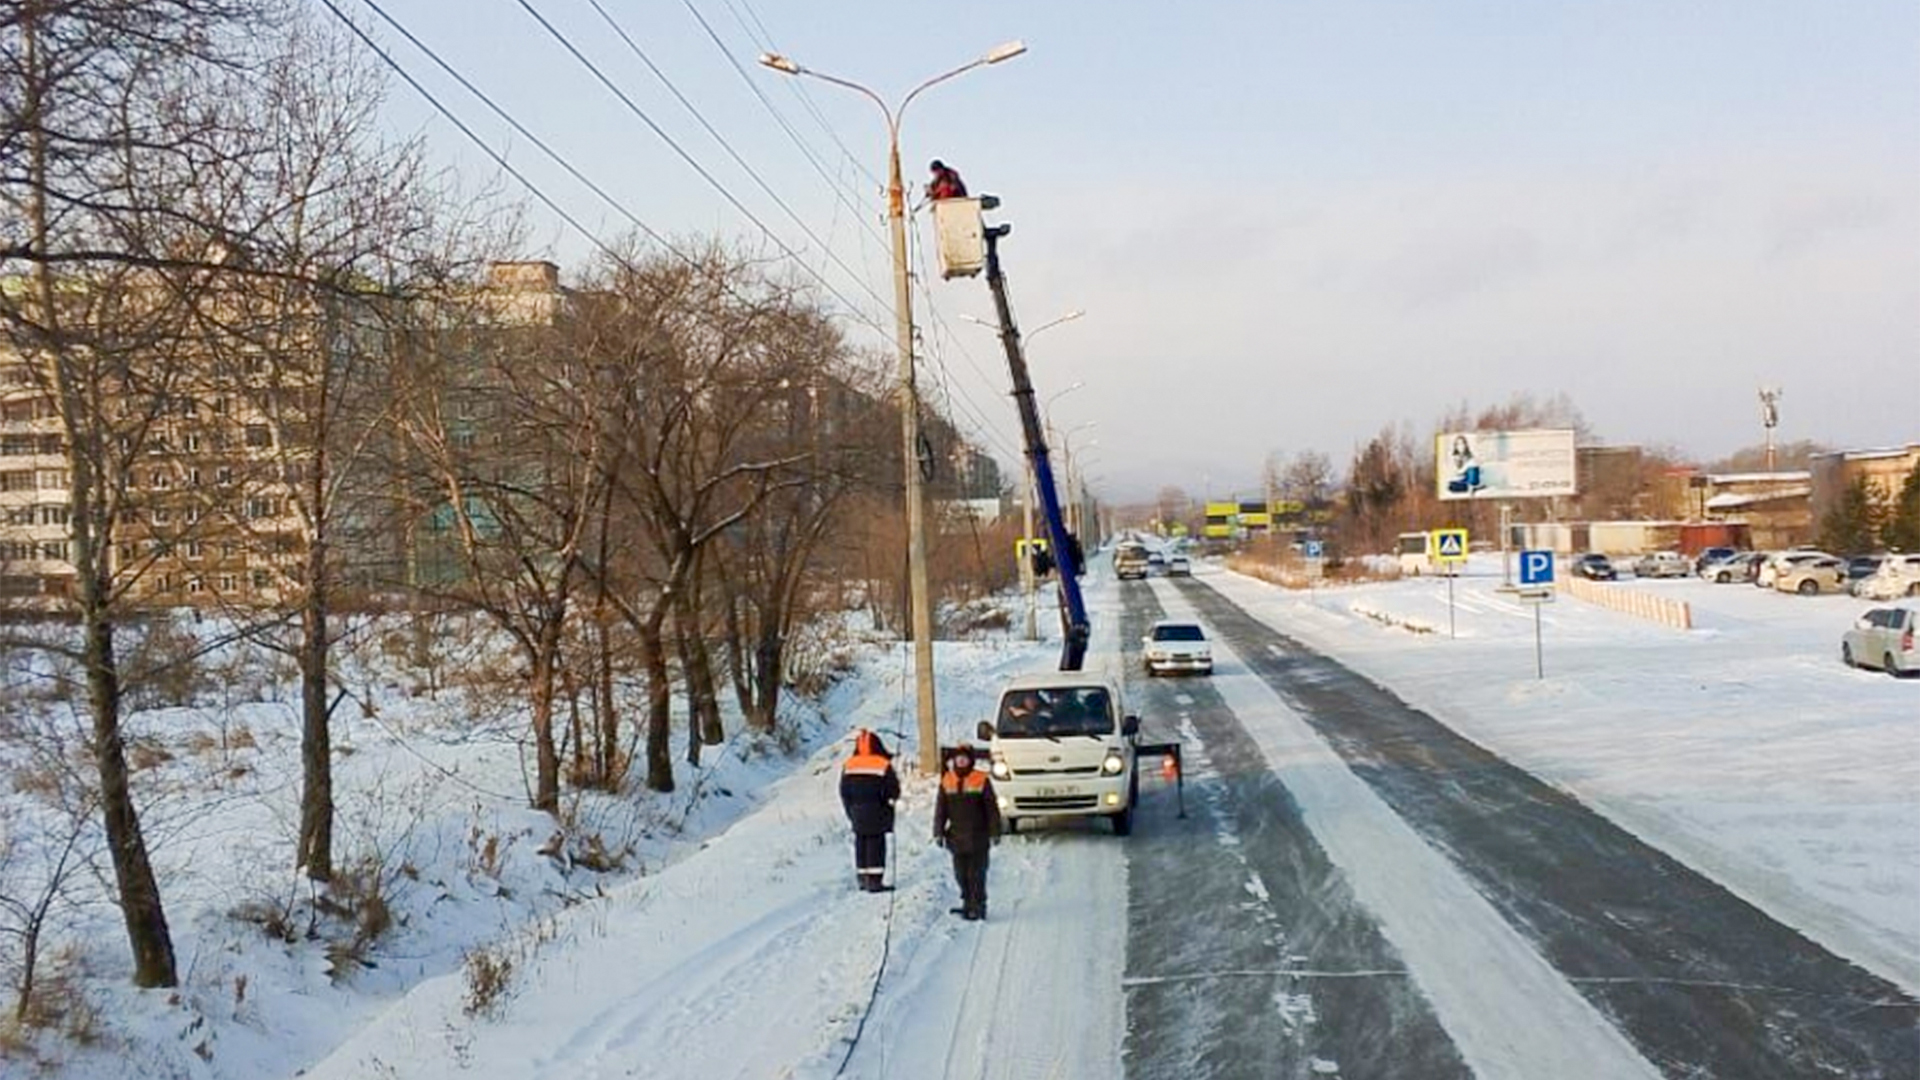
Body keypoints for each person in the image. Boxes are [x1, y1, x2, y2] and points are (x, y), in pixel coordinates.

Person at [933, 746, 1001, 920]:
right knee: (960, 874)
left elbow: (992, 809)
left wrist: (995, 831)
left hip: (979, 836)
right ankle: (966, 903)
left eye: (964, 759)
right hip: (956, 838)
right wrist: (938, 831)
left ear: (971, 761)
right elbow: (941, 809)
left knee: (977, 874)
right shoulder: (947, 780)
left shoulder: (981, 780)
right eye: (958, 759)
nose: (961, 762)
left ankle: (978, 906)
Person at [839, 729, 900, 892]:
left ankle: (862, 878)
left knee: (861, 842)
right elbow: (894, 790)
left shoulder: (849, 765)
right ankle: (875, 881)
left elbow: (843, 791)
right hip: (878, 810)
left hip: (856, 811)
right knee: (876, 844)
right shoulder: (883, 764)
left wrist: (850, 810)